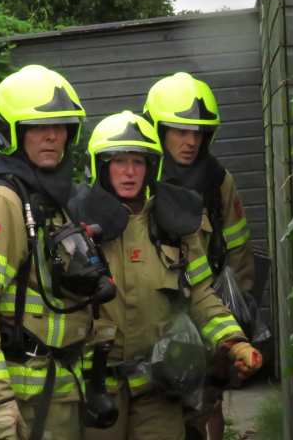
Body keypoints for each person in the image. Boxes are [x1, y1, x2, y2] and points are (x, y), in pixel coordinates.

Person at [68, 111, 262, 440]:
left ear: (151, 168)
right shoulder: (74, 227)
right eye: (118, 162)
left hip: (158, 387)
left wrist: (234, 343)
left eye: (138, 162)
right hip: (95, 389)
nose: (129, 172)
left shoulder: (173, 226)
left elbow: (201, 296)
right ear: (101, 166)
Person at [0, 65, 114, 440]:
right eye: (39, 127)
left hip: (55, 396)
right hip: (16, 404)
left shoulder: (49, 198)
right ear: (11, 132)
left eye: (61, 126)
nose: (53, 136)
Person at [143, 72, 256, 440]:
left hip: (205, 310)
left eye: (199, 132)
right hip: (148, 318)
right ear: (157, 128)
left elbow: (238, 250)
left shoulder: (217, 181)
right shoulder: (136, 174)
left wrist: (238, 313)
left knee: (206, 407)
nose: (191, 141)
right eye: (180, 130)